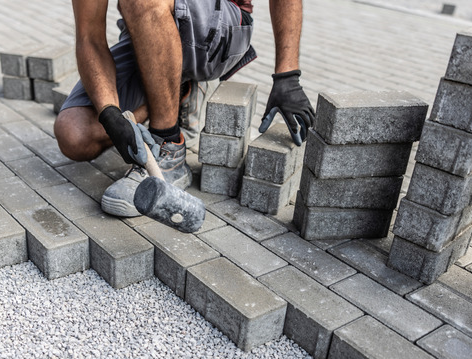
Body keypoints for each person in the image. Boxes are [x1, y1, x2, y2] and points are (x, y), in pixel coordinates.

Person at [54, 0, 315, 217]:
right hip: (149, 26)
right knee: (75, 134)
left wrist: (287, 75)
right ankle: (180, 92)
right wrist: (109, 112)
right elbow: (89, 37)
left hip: (220, 26)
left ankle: (169, 147)